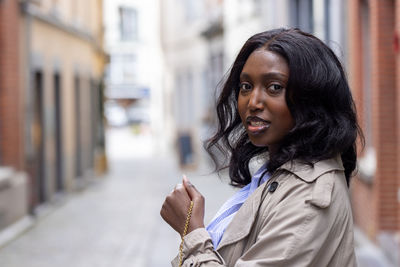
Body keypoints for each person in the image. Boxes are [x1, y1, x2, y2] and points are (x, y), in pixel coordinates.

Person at [160, 28, 363, 266]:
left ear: (312, 98)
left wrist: (191, 230)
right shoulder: (278, 173)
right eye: (246, 86)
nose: (253, 102)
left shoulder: (309, 196)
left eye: (274, 87)